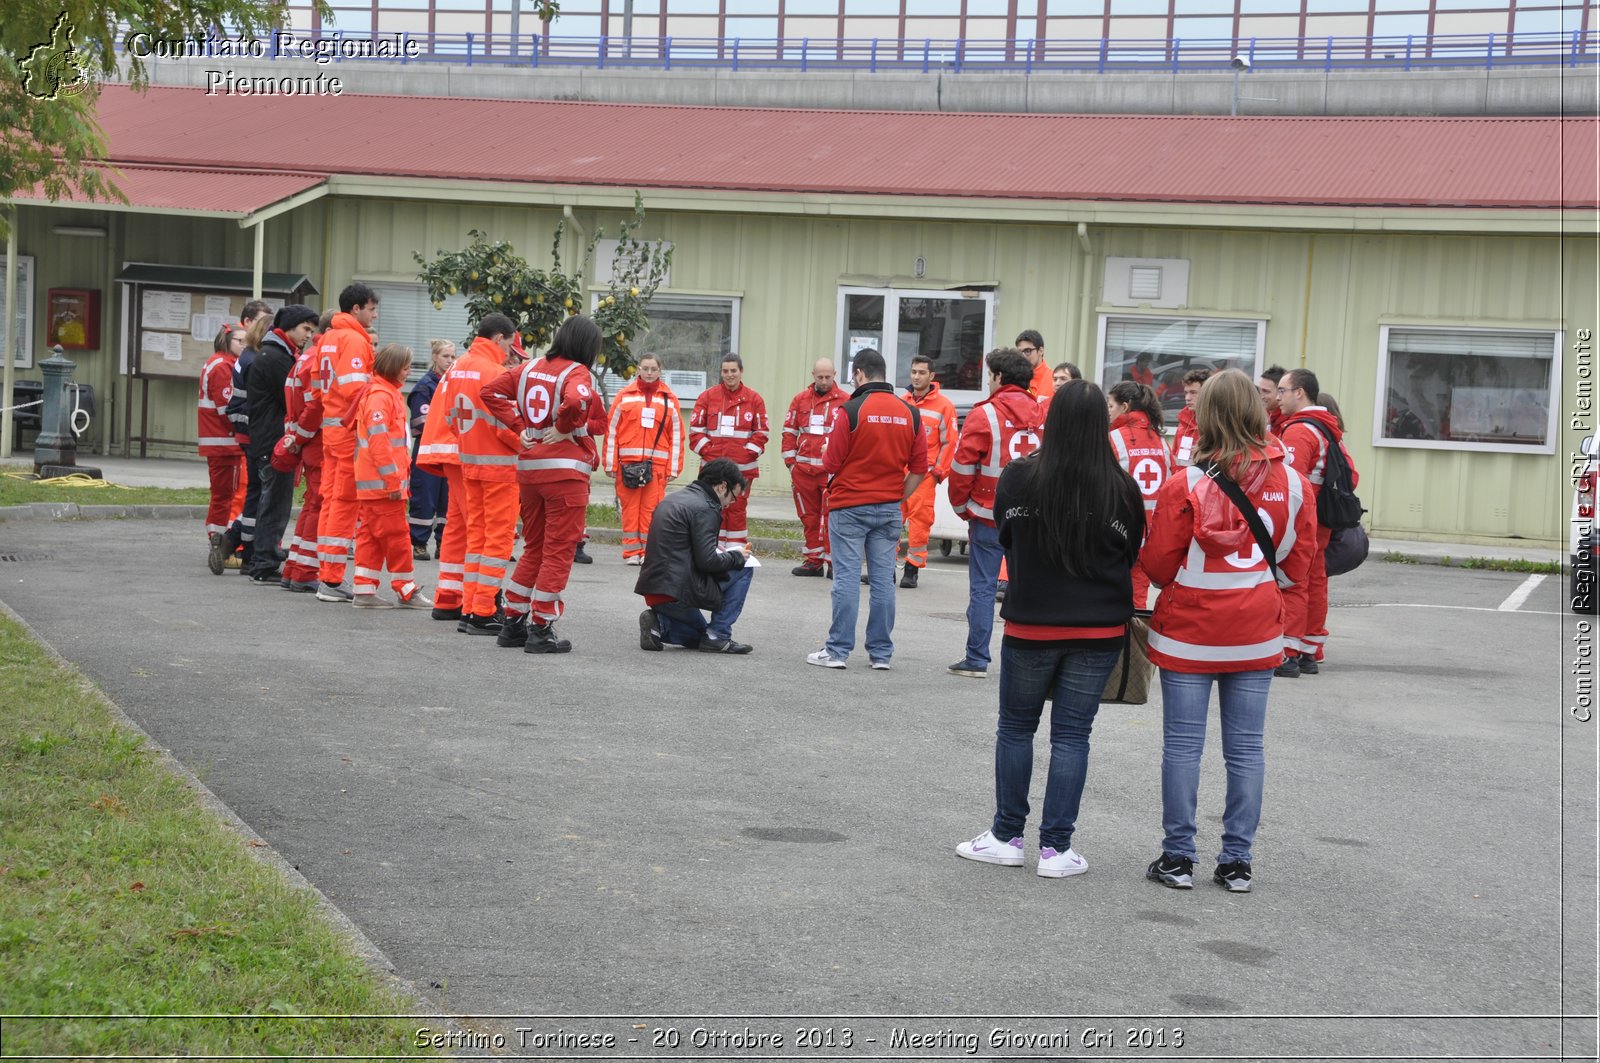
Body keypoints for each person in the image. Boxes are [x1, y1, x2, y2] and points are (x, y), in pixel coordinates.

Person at [955, 381, 1145, 878]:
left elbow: (1007, 535)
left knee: (1016, 728)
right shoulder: (1121, 487)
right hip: (1099, 629)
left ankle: (1006, 836)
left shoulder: (1020, 477)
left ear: (1052, 420)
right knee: (1072, 737)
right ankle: (1057, 850)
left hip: (1032, 623)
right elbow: (1132, 552)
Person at [1141, 369, 1316, 893]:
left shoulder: (1186, 482)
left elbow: (1155, 565)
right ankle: (1237, 861)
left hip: (1188, 631)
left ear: (1206, 416)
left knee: (1182, 748)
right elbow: (1296, 567)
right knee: (1245, 750)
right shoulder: (1293, 482)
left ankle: (1177, 859)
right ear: (1259, 413)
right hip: (1257, 629)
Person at [481, 315, 607, 654]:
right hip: (564, 474)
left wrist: (518, 425)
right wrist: (566, 427)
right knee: (558, 551)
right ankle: (541, 628)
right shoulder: (576, 372)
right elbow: (576, 401)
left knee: (533, 548)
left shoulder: (529, 367)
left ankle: (513, 623)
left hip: (530, 471)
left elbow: (489, 391)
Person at [803, 349, 926, 670]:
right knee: (884, 581)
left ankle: (838, 651)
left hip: (849, 507)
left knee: (845, 578)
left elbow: (830, 463)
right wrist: (899, 496)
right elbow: (920, 467)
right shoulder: (910, 413)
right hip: (888, 509)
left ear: (859, 374)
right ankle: (881, 654)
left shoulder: (851, 410)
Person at [946, 348, 1044, 679]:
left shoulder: (983, 414)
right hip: (1032, 519)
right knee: (1029, 589)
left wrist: (962, 507)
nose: (988, 381)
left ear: (1000, 378)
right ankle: (1026, 661)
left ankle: (976, 658)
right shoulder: (1045, 415)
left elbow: (961, 468)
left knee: (984, 589)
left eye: (990, 376)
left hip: (989, 517)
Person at [1276, 367, 1359, 677]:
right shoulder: (1325, 427)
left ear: (1300, 393)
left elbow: (1287, 482)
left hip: (1302, 518)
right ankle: (1308, 649)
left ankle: (1288, 652)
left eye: (1283, 391)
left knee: (1293, 581)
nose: (1279, 397)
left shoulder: (1299, 430)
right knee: (1314, 581)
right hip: (1318, 518)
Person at [635, 458, 755, 654]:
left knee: (699, 637)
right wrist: (737, 557)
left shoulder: (674, 498)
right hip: (678, 591)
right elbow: (707, 561)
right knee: (746, 568)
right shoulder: (706, 507)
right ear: (722, 486)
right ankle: (719, 635)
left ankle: (659, 625)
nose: (730, 504)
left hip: (654, 590)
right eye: (733, 497)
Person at [451, 316, 522, 634]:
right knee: (497, 542)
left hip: (470, 463)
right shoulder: (495, 373)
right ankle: (483, 611)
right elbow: (506, 425)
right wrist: (528, 445)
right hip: (499, 468)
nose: (510, 350)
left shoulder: (458, 367)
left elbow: (450, 417)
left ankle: (469, 608)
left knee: (476, 539)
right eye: (509, 342)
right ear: (498, 338)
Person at [350, 343, 431, 608]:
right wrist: (393, 481)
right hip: (384, 486)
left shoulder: (383, 393)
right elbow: (379, 443)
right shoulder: (381, 396)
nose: (409, 372)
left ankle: (364, 590)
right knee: (397, 537)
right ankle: (406, 590)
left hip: (374, 485)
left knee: (371, 537)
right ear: (394, 367)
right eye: (406, 367)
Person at [315, 283, 381, 603]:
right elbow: (356, 391)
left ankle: (327, 574)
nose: (375, 314)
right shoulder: (354, 339)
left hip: (331, 430)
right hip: (348, 432)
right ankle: (331, 579)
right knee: (344, 504)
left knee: (331, 502)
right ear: (355, 309)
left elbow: (318, 386)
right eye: (371, 308)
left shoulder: (328, 338)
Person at [245, 305, 320, 583]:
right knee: (274, 503)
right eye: (305, 329)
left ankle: (267, 555)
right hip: (273, 441)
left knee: (275, 501)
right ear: (289, 327)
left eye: (312, 331)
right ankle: (263, 563)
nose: (308, 336)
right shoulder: (276, 358)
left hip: (270, 439)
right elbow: (293, 398)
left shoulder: (276, 354)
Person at [606, 352, 684, 565]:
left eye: (653, 369)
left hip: (657, 466)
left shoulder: (669, 399)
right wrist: (610, 463)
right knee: (630, 509)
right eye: (645, 368)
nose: (649, 373)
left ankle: (648, 553)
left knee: (652, 511)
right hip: (627, 466)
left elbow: (677, 434)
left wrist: (673, 468)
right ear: (638, 369)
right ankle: (632, 552)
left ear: (660, 371)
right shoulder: (624, 396)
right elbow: (611, 430)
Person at [279, 309, 335, 592]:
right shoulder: (321, 358)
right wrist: (301, 437)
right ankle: (304, 571)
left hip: (311, 442)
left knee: (312, 505)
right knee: (319, 506)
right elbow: (316, 407)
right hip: (320, 442)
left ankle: (295, 567)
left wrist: (298, 438)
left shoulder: (305, 357)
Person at [688, 354, 769, 551]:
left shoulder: (754, 399)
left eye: (734, 371)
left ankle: (736, 550)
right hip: (713, 470)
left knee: (738, 510)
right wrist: (712, 455)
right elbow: (695, 432)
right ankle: (712, 549)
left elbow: (762, 432)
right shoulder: (707, 397)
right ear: (721, 372)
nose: (730, 375)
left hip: (743, 470)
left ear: (741, 372)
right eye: (725, 371)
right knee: (712, 508)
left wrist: (743, 455)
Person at [1106, 380, 1171, 610]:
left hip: (1118, 530)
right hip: (1150, 533)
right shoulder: (1162, 442)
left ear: (1124, 407)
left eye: (1110, 406)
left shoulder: (1113, 439)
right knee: (1137, 599)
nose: (1108, 411)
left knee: (1111, 596)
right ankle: (1134, 643)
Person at [782, 358, 848, 577]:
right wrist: (791, 464)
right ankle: (813, 561)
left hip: (830, 473)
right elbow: (789, 432)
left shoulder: (846, 401)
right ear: (813, 375)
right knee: (809, 517)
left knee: (831, 518)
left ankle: (832, 562)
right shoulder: (800, 400)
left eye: (828, 377)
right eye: (819, 377)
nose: (823, 381)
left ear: (834, 375)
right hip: (803, 471)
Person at [899, 353, 957, 588]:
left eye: (922, 372)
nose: (916, 376)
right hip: (898, 472)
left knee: (920, 522)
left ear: (932, 376)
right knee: (890, 520)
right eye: (914, 372)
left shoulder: (944, 406)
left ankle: (912, 569)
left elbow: (950, 442)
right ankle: (882, 568)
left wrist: (937, 473)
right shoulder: (902, 402)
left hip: (924, 474)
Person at [221, 312, 272, 569]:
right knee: (260, 494)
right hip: (254, 433)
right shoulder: (256, 360)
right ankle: (238, 543)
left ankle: (238, 543)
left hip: (245, 431)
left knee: (255, 492)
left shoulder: (246, 357)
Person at [200, 326, 245, 574]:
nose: (245, 346)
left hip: (217, 441)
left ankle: (218, 541)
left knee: (222, 495)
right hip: (224, 442)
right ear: (228, 341)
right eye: (241, 341)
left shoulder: (216, 362)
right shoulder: (223, 366)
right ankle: (219, 544)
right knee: (225, 497)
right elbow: (227, 409)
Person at [407, 339, 456, 561]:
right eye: (446, 356)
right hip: (427, 450)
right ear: (435, 357)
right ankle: (418, 542)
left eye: (453, 357)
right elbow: (421, 422)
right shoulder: (425, 387)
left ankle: (443, 542)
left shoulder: (452, 383)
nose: (450, 361)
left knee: (447, 498)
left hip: (448, 450)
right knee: (424, 497)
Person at [1169, 367, 1209, 468]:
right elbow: (1175, 457)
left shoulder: (1216, 424)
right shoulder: (1183, 421)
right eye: (1186, 393)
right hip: (1182, 480)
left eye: (1193, 392)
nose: (1187, 398)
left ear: (1207, 393)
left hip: (1204, 482)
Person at [1015, 330, 1053, 404]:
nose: (1023, 356)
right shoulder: (1014, 380)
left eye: (1027, 351)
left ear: (1041, 351)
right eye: (1019, 352)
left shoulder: (1054, 380)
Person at [1259, 365, 1288, 437]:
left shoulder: (1288, 420)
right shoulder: (1261, 416)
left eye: (1266, 391)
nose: (1261, 396)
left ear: (1280, 392)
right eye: (1260, 390)